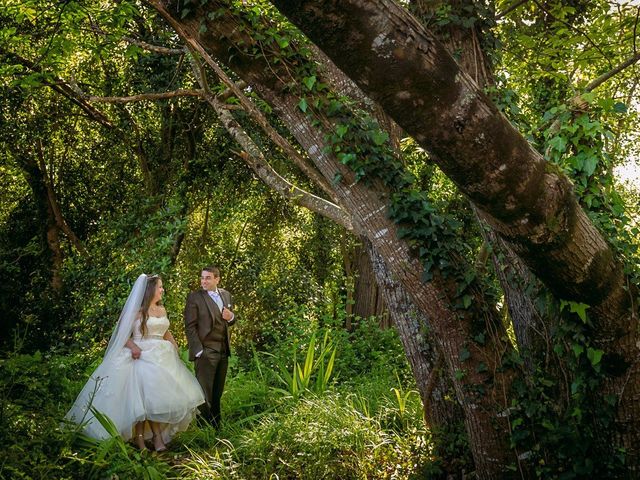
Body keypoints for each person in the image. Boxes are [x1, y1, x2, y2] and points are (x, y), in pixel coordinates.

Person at [65, 274, 205, 451]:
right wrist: (133, 347)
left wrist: (175, 346)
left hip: (162, 357)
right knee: (144, 399)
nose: (162, 290)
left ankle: (154, 438)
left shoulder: (161, 310)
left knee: (156, 400)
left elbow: (165, 332)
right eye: (160, 286)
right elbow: (121, 335)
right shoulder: (136, 312)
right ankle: (148, 439)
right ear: (150, 290)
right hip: (141, 356)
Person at [184, 266, 236, 428]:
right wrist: (199, 350)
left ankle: (216, 426)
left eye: (207, 278)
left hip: (223, 351)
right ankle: (202, 428)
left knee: (217, 392)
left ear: (217, 279)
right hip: (206, 351)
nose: (203, 281)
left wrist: (231, 316)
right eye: (202, 278)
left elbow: (230, 319)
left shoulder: (226, 295)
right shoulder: (195, 297)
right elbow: (190, 326)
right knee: (204, 393)